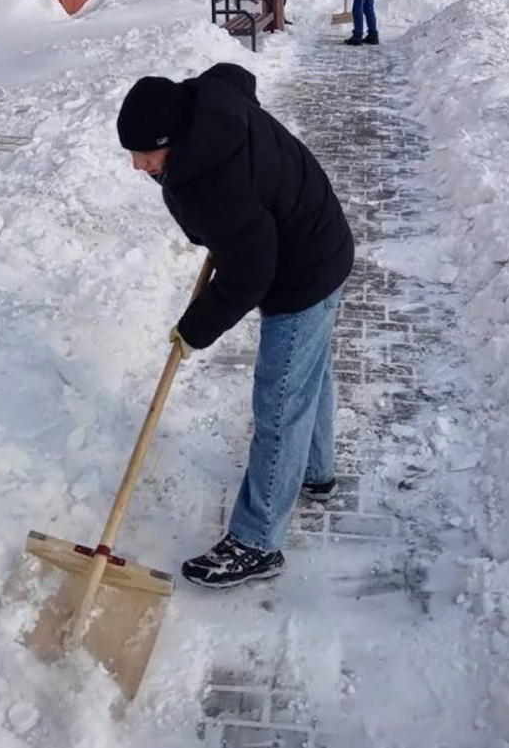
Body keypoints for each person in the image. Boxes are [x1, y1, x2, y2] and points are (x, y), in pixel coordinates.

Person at [117, 63, 355, 588]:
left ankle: (257, 542)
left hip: (302, 272)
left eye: (146, 154)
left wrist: (196, 327)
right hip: (324, 240)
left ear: (172, 140)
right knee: (309, 374)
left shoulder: (217, 183)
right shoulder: (212, 108)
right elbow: (234, 76)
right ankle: (314, 473)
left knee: (280, 403)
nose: (138, 166)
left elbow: (249, 273)